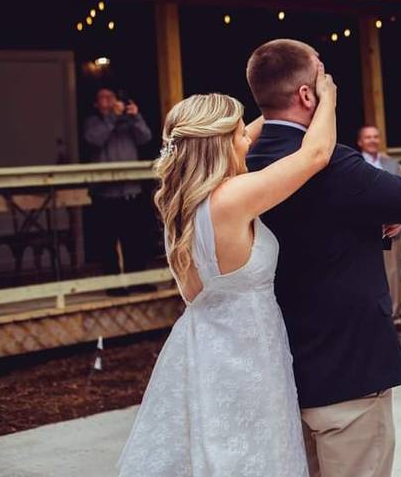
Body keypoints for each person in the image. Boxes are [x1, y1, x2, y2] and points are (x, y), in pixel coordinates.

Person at [245, 39, 401, 477]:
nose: (329, 82)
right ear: (308, 95)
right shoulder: (332, 164)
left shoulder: (244, 160)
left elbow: (308, 227)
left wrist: (369, 220)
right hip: (348, 369)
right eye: (322, 74)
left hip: (280, 373)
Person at [119, 64, 337, 476]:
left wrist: (274, 105)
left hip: (201, 348)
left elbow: (242, 134)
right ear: (219, 143)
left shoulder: (177, 205)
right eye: (239, 133)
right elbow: (316, 154)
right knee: (253, 455)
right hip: (247, 353)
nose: (248, 138)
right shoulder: (232, 199)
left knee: (212, 450)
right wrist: (327, 97)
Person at [83, 87, 154, 294]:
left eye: (111, 97)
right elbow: (94, 139)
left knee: (134, 238)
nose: (109, 101)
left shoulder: (127, 123)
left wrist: (136, 116)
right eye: (103, 98)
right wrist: (112, 118)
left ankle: (137, 281)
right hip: (105, 194)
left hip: (130, 191)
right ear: (97, 104)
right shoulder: (93, 122)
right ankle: (113, 286)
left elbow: (146, 137)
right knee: (108, 243)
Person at [357, 124, 401, 328]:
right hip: (362, 230)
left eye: (375, 137)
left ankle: (394, 315)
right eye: (367, 137)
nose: (372, 140)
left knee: (392, 272)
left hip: (390, 229)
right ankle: (369, 314)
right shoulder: (354, 163)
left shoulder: (392, 164)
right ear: (360, 142)